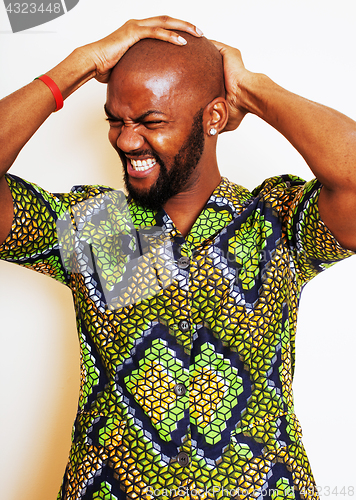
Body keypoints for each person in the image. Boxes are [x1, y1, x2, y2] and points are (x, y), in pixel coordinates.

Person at [0, 14, 355, 500]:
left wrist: (254, 90)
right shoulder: (96, 227)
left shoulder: (276, 221)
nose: (126, 141)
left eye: (150, 122)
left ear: (212, 118)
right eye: (116, 121)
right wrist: (78, 64)